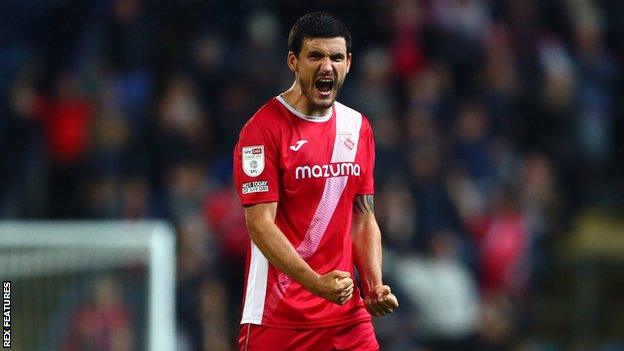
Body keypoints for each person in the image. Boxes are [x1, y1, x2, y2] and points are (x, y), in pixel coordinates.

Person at [233, 12, 398, 351]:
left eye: (336, 57)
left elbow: (363, 217)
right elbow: (260, 224)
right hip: (278, 317)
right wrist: (316, 283)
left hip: (346, 315)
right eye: (316, 56)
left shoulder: (358, 127)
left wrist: (374, 285)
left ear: (349, 63)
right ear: (293, 61)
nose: (327, 66)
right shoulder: (262, 131)